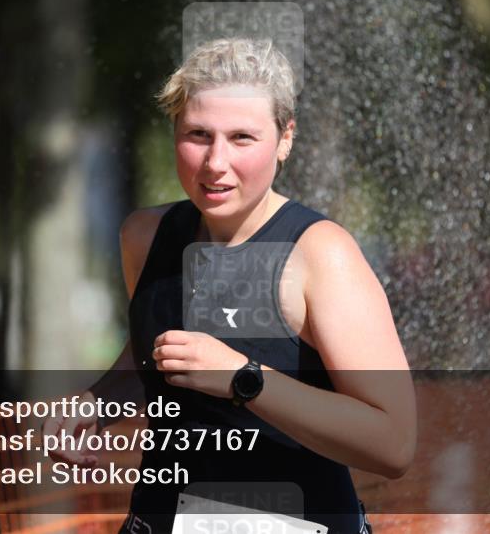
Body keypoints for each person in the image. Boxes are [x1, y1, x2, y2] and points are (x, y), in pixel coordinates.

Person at [46, 38, 416, 534]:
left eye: (243, 138)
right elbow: (154, 357)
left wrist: (247, 380)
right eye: (198, 134)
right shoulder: (145, 236)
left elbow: (394, 443)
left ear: (285, 139)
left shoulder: (320, 255)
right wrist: (95, 405)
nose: (215, 162)